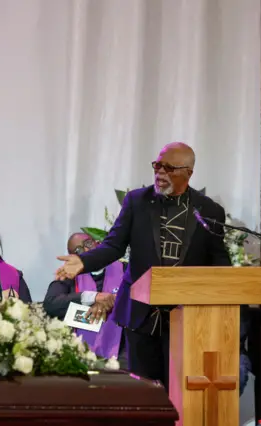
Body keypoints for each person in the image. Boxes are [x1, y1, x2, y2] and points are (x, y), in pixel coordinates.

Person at [54, 142, 231, 387]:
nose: (160, 172)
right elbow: (114, 245)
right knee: (145, 392)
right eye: (157, 165)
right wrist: (83, 261)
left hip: (186, 318)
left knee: (180, 393)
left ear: (188, 173)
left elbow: (219, 261)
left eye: (169, 168)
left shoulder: (209, 211)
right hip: (141, 314)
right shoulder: (137, 201)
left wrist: (229, 292)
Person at [43, 232, 127, 365]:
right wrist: (93, 297)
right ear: (72, 257)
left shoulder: (124, 268)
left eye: (88, 243)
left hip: (122, 350)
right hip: (80, 352)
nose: (86, 250)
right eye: (78, 250)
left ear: (98, 243)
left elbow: (140, 294)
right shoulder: (69, 277)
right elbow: (51, 303)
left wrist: (113, 300)